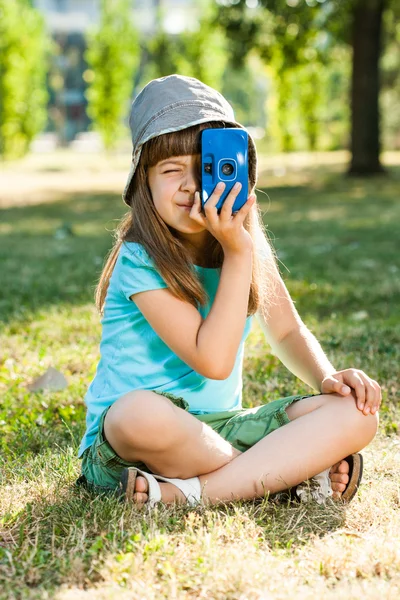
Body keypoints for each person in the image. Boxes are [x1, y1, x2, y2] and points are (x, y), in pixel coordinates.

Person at [76, 74, 380, 508]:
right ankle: (280, 478)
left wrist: (327, 379)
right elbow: (213, 361)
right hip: (134, 446)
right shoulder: (140, 259)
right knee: (135, 413)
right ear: (143, 182)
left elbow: (288, 332)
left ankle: (192, 493)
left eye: (204, 166)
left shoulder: (245, 243)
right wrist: (238, 254)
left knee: (357, 414)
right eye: (170, 169)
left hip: (219, 431)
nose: (189, 184)